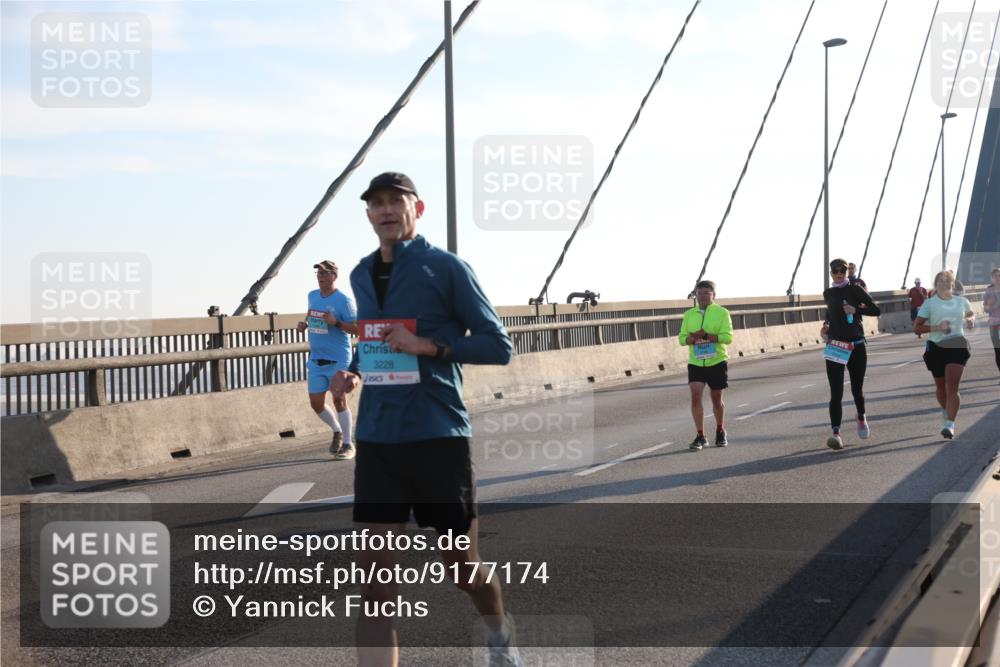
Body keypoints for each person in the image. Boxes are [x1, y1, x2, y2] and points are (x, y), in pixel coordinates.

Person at [328, 172, 521, 667]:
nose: (386, 210)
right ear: (368, 214)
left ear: (419, 208)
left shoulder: (447, 267)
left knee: (461, 567)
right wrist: (352, 370)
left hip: (438, 435)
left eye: (397, 201)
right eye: (376, 204)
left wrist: (430, 346)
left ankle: (500, 634)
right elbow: (374, 339)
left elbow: (499, 345)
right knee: (374, 584)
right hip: (378, 439)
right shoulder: (359, 273)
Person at [296, 260, 359, 459]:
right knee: (316, 404)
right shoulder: (312, 295)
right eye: (318, 273)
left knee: (339, 399)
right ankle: (337, 430)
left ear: (334, 276)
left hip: (338, 358)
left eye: (324, 273)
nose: (320, 276)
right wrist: (304, 325)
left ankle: (348, 444)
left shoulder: (344, 300)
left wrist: (336, 323)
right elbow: (311, 313)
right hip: (316, 359)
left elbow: (358, 328)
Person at [821, 258, 881, 450]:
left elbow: (875, 309)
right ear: (831, 273)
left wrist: (856, 309)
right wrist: (825, 327)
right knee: (836, 392)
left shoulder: (855, 289)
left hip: (856, 345)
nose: (839, 273)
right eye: (835, 271)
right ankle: (836, 433)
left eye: (842, 271)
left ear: (847, 272)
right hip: (836, 345)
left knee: (856, 389)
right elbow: (830, 314)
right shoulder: (828, 293)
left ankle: (861, 416)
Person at [913, 270, 975, 440]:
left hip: (957, 344)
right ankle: (946, 411)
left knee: (952, 386)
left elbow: (970, 314)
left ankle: (950, 425)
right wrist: (936, 327)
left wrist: (970, 320)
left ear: (952, 284)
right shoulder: (929, 304)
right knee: (941, 388)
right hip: (936, 347)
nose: (943, 283)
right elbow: (917, 328)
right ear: (935, 284)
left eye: (947, 281)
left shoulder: (962, 301)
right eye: (940, 281)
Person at [678, 280, 734, 450]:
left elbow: (728, 337)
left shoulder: (722, 313)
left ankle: (720, 429)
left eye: (706, 293)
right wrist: (692, 338)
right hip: (696, 362)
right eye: (699, 292)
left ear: (713, 295)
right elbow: (682, 339)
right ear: (695, 295)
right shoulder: (689, 314)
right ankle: (700, 435)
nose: (702, 296)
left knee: (716, 399)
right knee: (695, 395)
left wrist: (709, 336)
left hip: (716, 360)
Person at [986, 268, 1000, 380]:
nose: (997, 278)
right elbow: (985, 308)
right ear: (992, 278)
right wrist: (990, 306)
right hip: (994, 325)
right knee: (998, 351)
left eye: (999, 275)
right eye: (995, 276)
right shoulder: (989, 290)